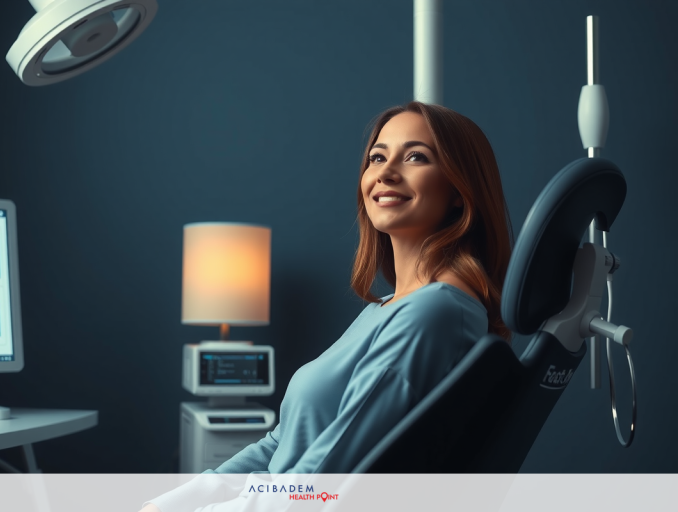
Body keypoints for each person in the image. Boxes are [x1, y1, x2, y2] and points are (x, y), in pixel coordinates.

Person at [140, 101, 513, 511]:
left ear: (460, 191)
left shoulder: (436, 312)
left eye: (416, 157)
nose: (385, 173)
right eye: (377, 157)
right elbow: (282, 444)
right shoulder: (387, 308)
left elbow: (330, 478)